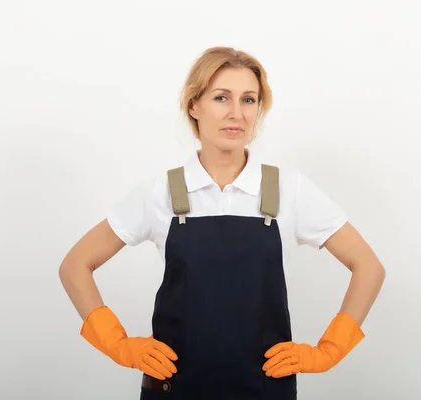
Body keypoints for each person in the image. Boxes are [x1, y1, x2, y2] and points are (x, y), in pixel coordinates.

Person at [59, 46, 386, 399]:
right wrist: (119, 345)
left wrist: (328, 351)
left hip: (264, 388)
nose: (236, 114)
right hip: (174, 387)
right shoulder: (162, 191)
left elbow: (368, 267)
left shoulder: (288, 188)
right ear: (193, 106)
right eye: (221, 98)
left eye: (249, 100)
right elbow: (75, 265)